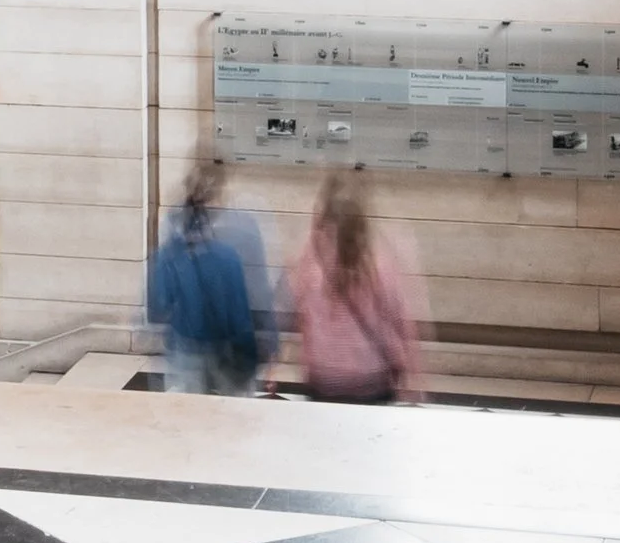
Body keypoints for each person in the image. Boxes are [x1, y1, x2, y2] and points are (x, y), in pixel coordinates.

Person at [289, 171, 428, 405]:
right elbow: (400, 322)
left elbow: (298, 312)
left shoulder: (312, 265)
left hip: (323, 377)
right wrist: (415, 375)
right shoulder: (379, 267)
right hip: (371, 378)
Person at [146, 152, 275, 393]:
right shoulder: (236, 241)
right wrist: (266, 345)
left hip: (185, 349)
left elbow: (157, 305)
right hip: (230, 351)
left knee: (189, 419)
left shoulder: (170, 250)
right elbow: (249, 303)